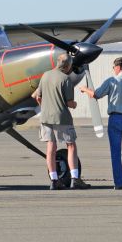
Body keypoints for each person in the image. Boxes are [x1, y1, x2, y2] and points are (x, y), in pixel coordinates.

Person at [80, 57, 122, 190]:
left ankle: (119, 183)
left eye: (113, 67)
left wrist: (84, 89)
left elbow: (96, 94)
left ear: (118, 67)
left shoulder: (112, 80)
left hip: (115, 119)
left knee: (116, 153)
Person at [32, 53, 91, 190]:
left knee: (51, 148)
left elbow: (36, 96)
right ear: (68, 65)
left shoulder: (45, 75)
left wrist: (45, 106)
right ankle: (75, 179)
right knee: (71, 146)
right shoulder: (66, 79)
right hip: (62, 117)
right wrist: (75, 104)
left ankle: (54, 180)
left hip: (46, 117)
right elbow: (70, 103)